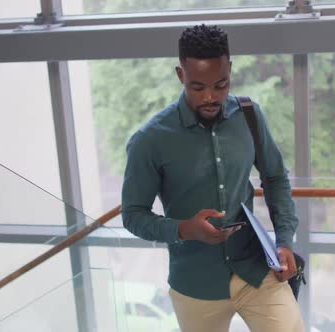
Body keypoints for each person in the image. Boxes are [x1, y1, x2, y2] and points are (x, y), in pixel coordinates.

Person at [121, 24, 303, 332]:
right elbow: (132, 216)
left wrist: (284, 241)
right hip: (195, 284)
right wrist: (183, 229)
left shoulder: (249, 115)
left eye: (221, 85)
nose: (210, 96)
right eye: (197, 87)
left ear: (230, 69)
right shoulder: (149, 140)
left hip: (255, 270)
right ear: (180, 75)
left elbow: (274, 178)